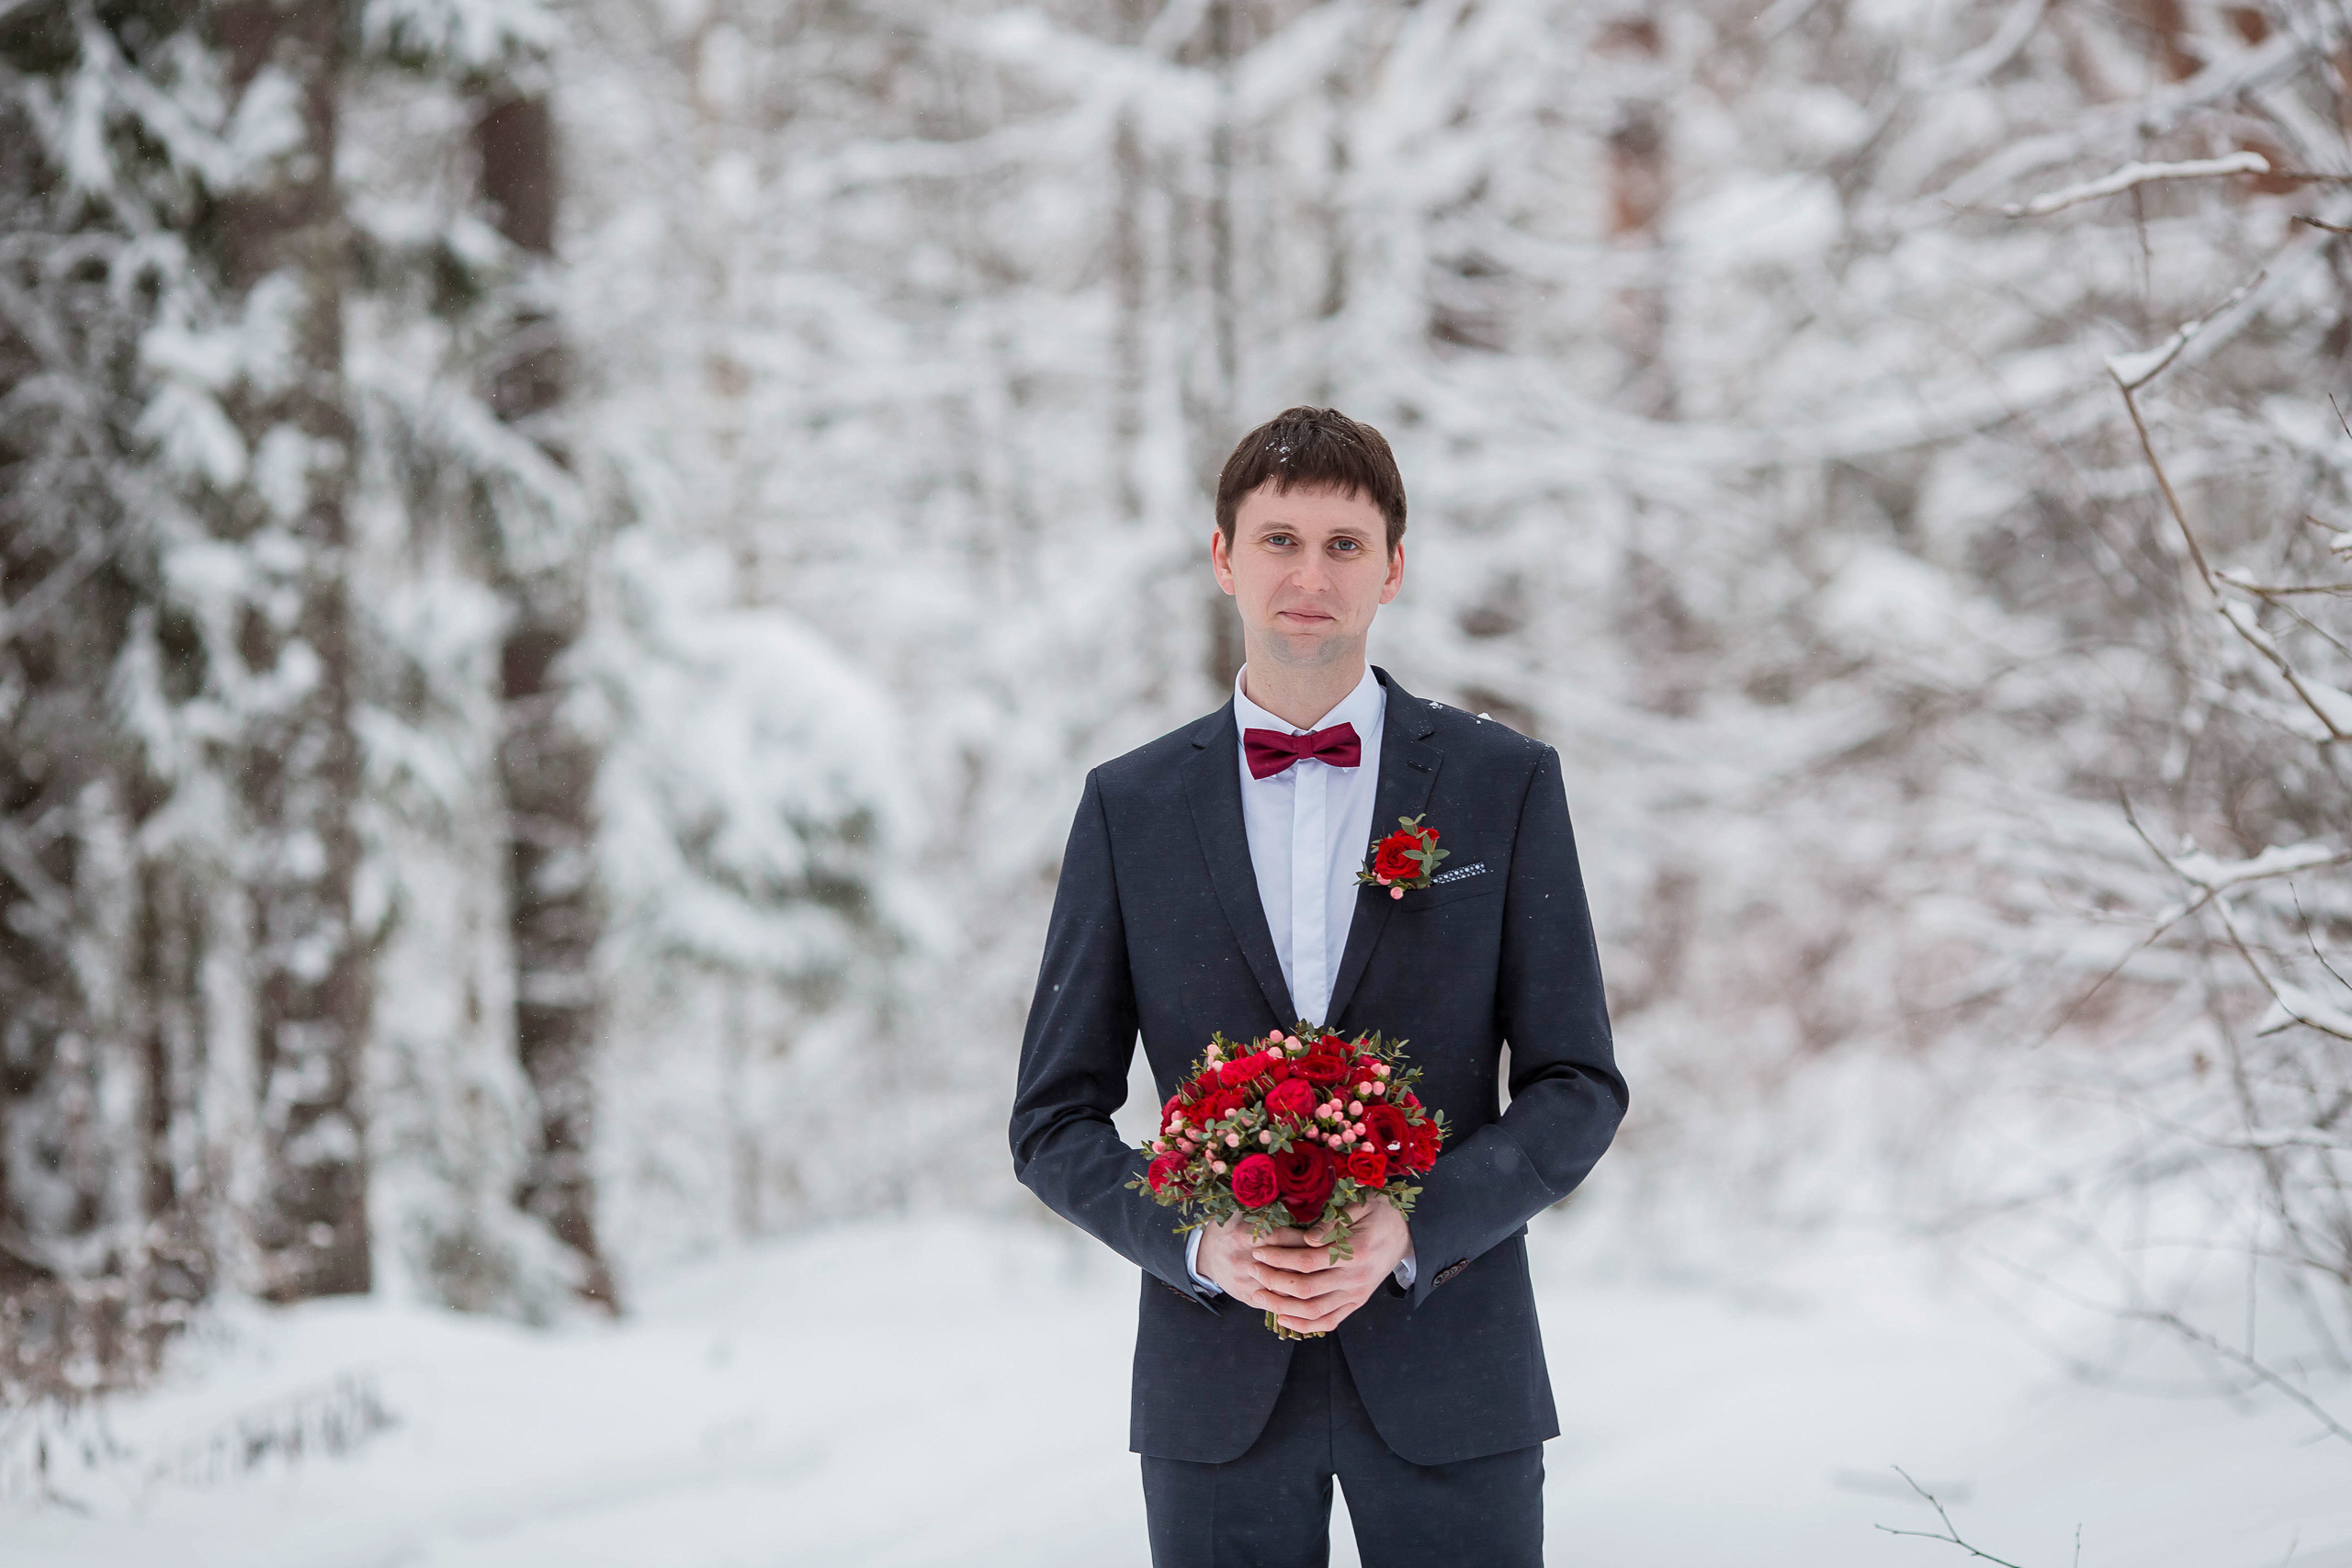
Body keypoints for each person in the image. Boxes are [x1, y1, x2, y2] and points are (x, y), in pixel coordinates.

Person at [1009, 406, 1626, 1566]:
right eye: (1279, 539)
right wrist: (1200, 1242)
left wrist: (1409, 1227)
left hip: (1454, 1368)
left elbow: (1577, 1083)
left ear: (1393, 567)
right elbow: (1051, 1120)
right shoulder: (1127, 808)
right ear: (1223, 558)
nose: (1309, 573)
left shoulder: (1503, 783)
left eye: (1344, 544)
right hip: (1214, 1393)